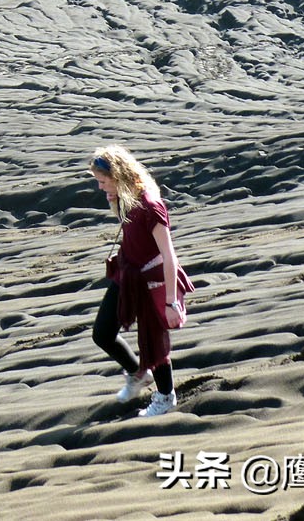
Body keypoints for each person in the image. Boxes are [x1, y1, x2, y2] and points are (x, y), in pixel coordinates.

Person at [89, 144, 191, 417]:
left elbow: (169, 256)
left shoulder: (150, 207)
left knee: (152, 340)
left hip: (152, 280)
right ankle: (138, 374)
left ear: (119, 175)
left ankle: (166, 397)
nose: (100, 187)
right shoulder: (125, 199)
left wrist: (171, 302)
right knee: (102, 334)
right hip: (128, 273)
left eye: (103, 181)